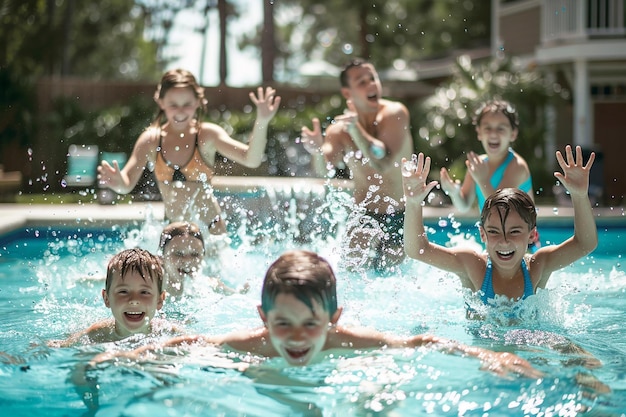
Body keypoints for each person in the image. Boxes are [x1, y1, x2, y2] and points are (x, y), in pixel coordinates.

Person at [96, 250, 542, 378]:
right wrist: (129, 355)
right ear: (262, 317)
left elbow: (417, 343)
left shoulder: (344, 340)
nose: (295, 338)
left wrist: (484, 355)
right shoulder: (254, 344)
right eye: (281, 323)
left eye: (311, 324)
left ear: (334, 319)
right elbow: (191, 343)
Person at [401, 146, 597, 308]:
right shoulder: (472, 266)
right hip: (485, 352)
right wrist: (413, 203)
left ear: (532, 235)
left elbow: (584, 244)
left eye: (514, 231)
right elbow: (418, 250)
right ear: (482, 234)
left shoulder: (538, 266)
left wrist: (579, 196)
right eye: (494, 232)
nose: (504, 241)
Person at [97, 69, 281, 236]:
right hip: (173, 232)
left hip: (211, 230)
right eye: (173, 105)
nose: (180, 111)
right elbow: (127, 184)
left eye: (187, 104)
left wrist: (262, 122)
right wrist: (119, 183)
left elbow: (251, 159)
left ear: (198, 102)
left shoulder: (207, 135)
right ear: (161, 102)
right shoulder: (151, 140)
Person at [300, 59, 414, 271]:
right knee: (350, 277)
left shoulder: (394, 114)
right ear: (347, 93)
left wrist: (356, 131)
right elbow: (325, 170)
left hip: (401, 215)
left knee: (393, 283)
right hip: (364, 217)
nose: (371, 85)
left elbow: (383, 161)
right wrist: (317, 152)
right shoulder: (339, 130)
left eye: (373, 78)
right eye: (362, 82)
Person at [48, 248, 183, 347]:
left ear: (160, 300)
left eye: (144, 292)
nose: (134, 300)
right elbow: (60, 346)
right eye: (123, 291)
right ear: (106, 298)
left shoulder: (168, 333)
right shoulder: (97, 334)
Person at [439, 99, 534, 213]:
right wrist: (454, 193)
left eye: (501, 128)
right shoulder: (478, 166)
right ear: (479, 132)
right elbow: (464, 206)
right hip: (495, 231)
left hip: (521, 231)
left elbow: (500, 210)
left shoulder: (517, 166)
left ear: (513, 134)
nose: (493, 133)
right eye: (487, 128)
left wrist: (483, 180)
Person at [158, 221, 248, 298]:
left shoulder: (207, 285)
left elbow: (236, 298)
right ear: (162, 256)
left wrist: (241, 293)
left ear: (203, 256)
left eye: (195, 254)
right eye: (178, 254)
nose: (187, 261)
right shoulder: (152, 286)